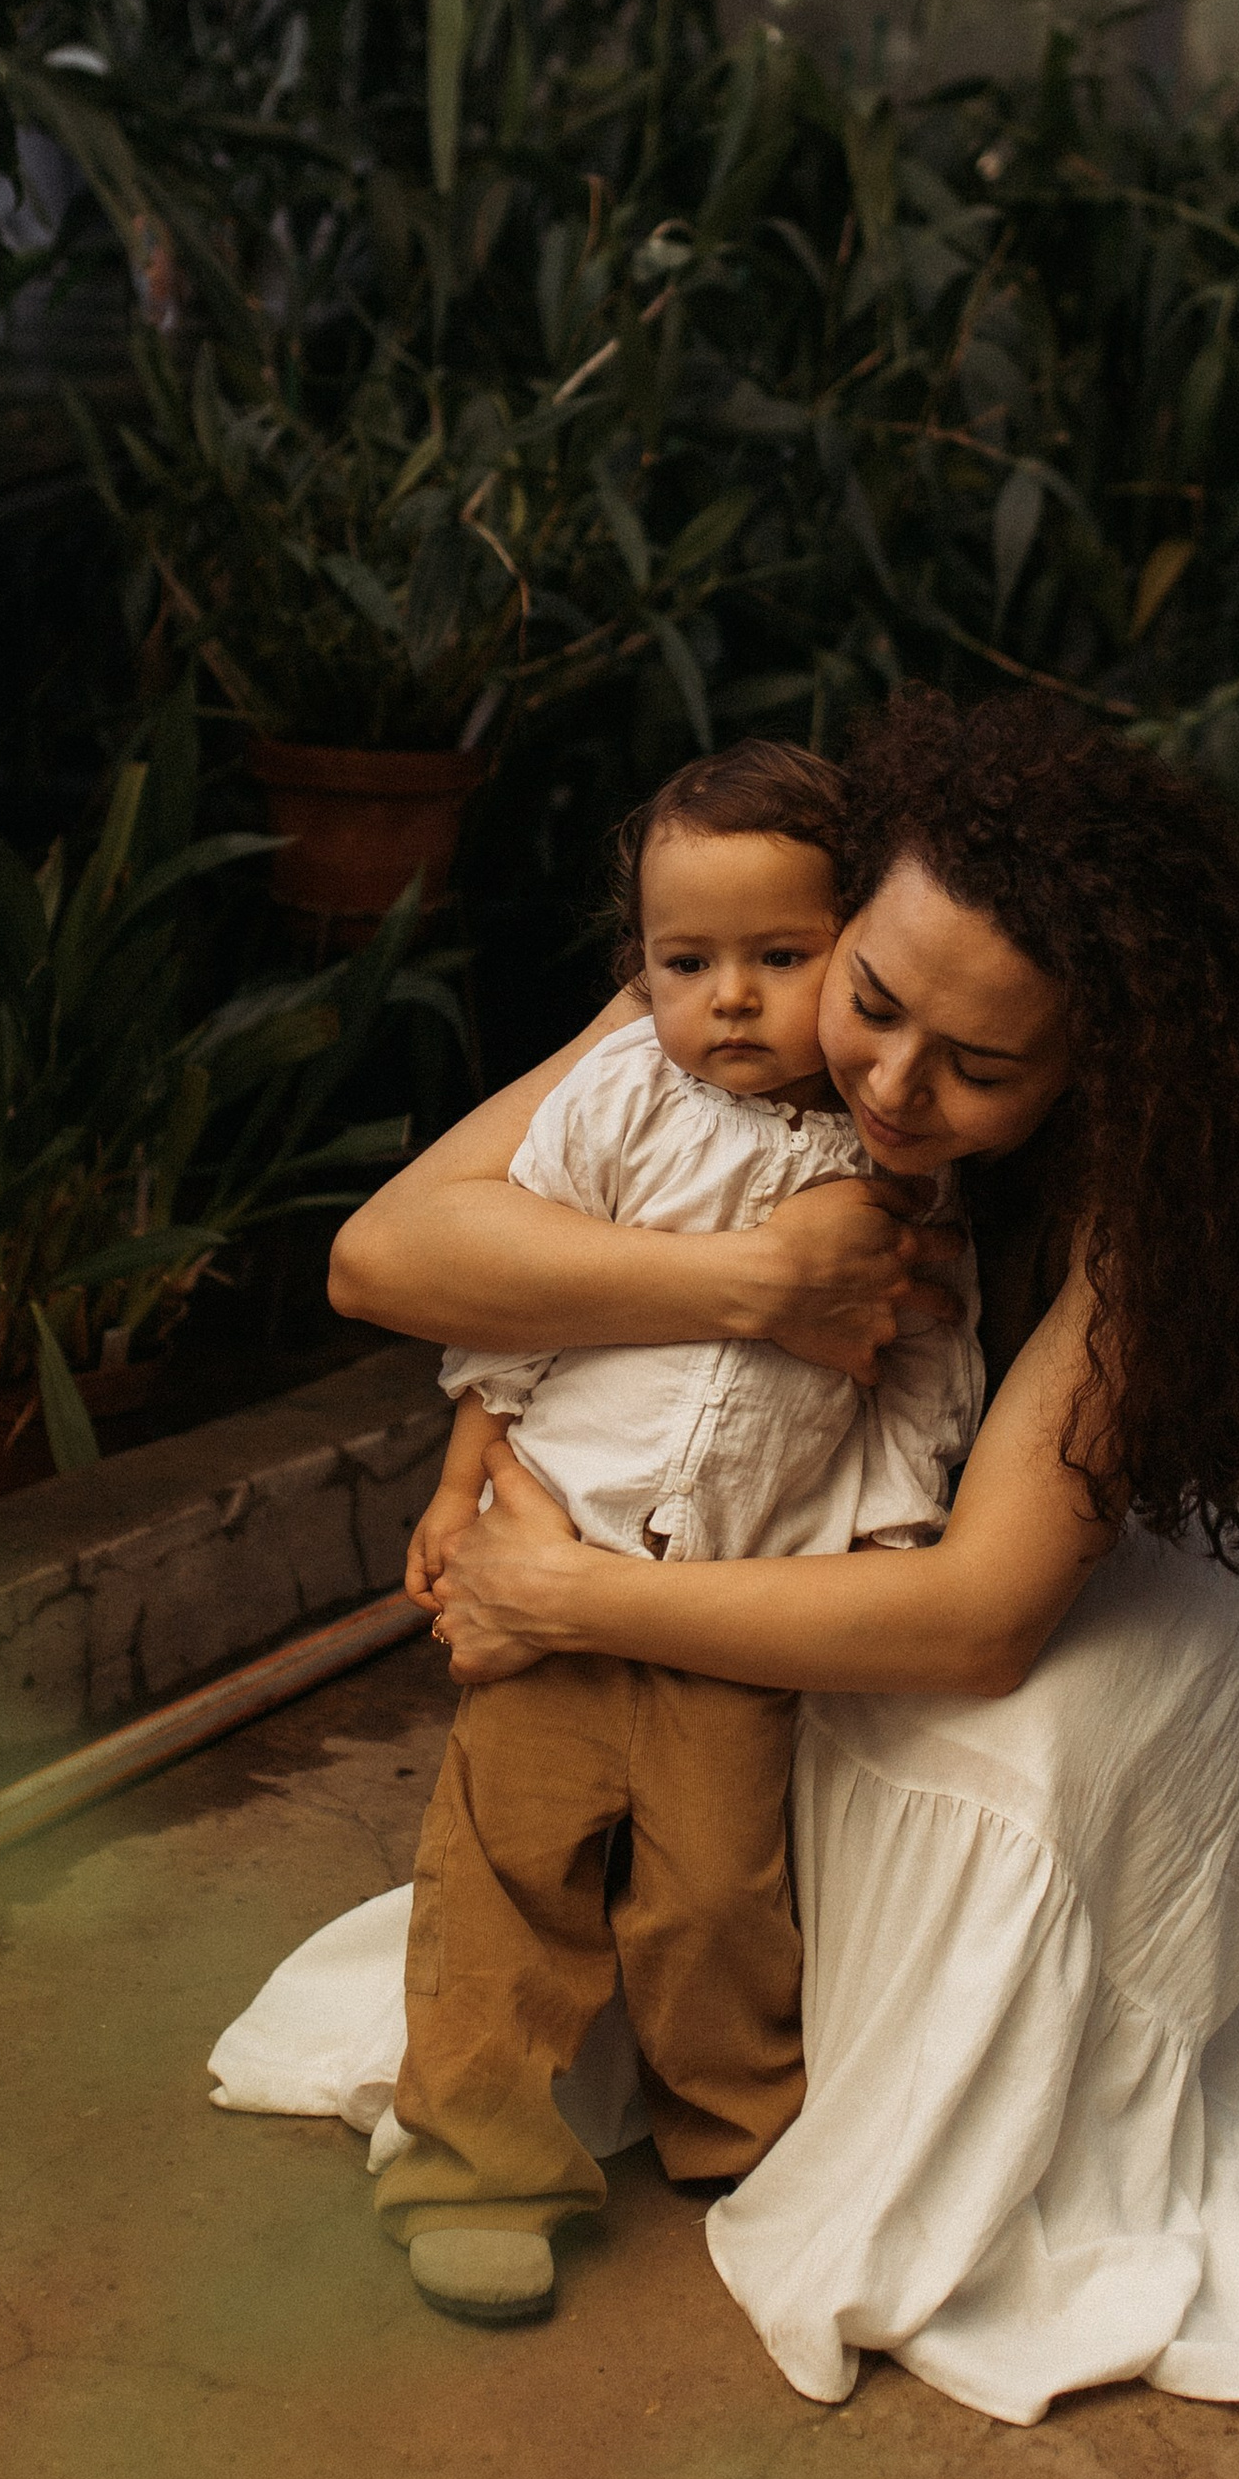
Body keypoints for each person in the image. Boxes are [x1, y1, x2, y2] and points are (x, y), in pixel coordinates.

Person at [209, 689, 1239, 2427]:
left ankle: (779, 2107)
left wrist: (579, 1593)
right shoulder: (741, 969)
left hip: (1102, 1503)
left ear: (1094, 1060)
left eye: (983, 1065)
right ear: (836, 919)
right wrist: (756, 1285)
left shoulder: (1146, 1202)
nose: (891, 1082)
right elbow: (393, 1253)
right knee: (615, 1762)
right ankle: (512, 2120)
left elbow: (984, 1611)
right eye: (869, 1001)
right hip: (810, 1452)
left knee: (1003, 1755)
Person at [386, 740, 984, 2327]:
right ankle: (475, 2164)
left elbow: (924, 1363)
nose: (727, 998)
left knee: (720, 1896)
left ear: (854, 957)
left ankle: (739, 2132)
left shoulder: (898, 1161)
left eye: (780, 960)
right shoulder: (611, 1106)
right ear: (632, 970)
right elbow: (504, 1308)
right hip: (549, 1556)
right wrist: (460, 1488)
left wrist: (896, 1533)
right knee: (502, 1881)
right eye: (684, 962)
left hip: (735, 1598)